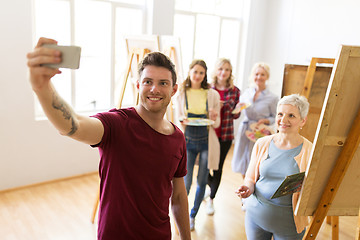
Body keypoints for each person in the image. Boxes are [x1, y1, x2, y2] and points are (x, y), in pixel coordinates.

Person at [27, 37, 191, 240]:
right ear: (138, 85)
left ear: (174, 89)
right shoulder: (117, 124)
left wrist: (186, 238)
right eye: (148, 81)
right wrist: (42, 87)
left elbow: (178, 196)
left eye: (163, 83)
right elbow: (73, 125)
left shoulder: (177, 138)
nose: (154, 89)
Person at [236, 94, 312, 240]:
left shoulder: (310, 151)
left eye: (291, 115)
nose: (283, 120)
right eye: (280, 114)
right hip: (255, 217)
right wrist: (247, 188)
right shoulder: (262, 143)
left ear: (303, 120)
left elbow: (312, 192)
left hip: (289, 225)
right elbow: (251, 179)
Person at [175, 59, 220, 231]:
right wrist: (182, 120)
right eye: (195, 72)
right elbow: (177, 118)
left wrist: (214, 116)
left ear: (205, 74)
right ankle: (182, 215)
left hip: (206, 142)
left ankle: (192, 215)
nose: (198, 76)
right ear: (189, 72)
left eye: (201, 73)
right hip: (187, 141)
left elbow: (216, 124)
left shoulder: (212, 94)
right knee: (185, 183)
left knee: (202, 180)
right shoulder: (181, 93)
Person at [206, 58, 241, 215]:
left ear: (230, 72)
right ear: (216, 70)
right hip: (209, 133)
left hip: (226, 134)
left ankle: (211, 199)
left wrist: (238, 110)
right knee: (205, 165)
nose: (223, 72)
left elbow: (235, 115)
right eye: (221, 69)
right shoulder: (208, 88)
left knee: (218, 167)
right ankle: (210, 187)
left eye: (227, 69)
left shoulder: (235, 91)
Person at [232, 62, 278, 178]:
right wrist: (238, 107)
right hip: (245, 128)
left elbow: (275, 117)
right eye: (256, 74)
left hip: (259, 132)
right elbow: (239, 110)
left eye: (262, 74)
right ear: (253, 76)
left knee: (255, 160)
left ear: (267, 76)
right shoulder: (246, 93)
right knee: (243, 160)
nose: (259, 77)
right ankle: (245, 187)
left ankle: (253, 186)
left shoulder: (272, 98)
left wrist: (266, 121)